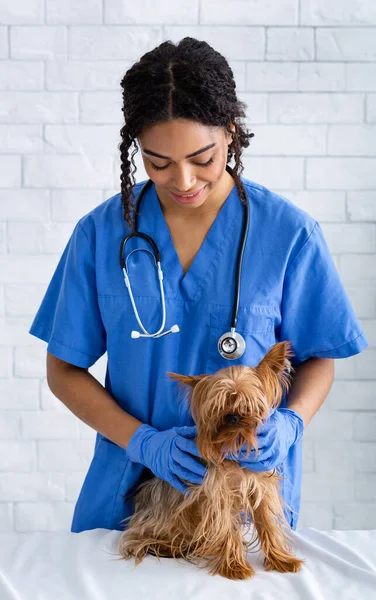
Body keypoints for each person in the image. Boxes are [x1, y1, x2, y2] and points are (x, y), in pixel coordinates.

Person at [29, 37, 368, 534]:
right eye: (158, 163)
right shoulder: (101, 234)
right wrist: (144, 442)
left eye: (202, 158)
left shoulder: (288, 234)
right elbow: (63, 368)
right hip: (130, 504)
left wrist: (291, 423)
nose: (183, 180)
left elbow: (320, 356)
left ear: (231, 134)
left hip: (245, 504)